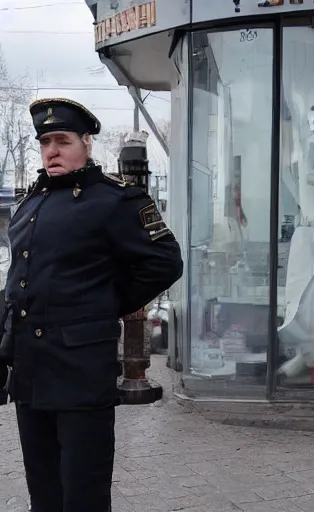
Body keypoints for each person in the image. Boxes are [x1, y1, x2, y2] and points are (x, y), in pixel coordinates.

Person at [0, 98, 183, 512]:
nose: (52, 151)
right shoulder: (29, 204)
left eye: (62, 141)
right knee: (44, 495)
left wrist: (106, 304)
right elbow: (17, 282)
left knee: (83, 496)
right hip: (30, 372)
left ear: (86, 142)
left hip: (81, 370)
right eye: (45, 142)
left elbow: (165, 262)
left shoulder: (114, 200)